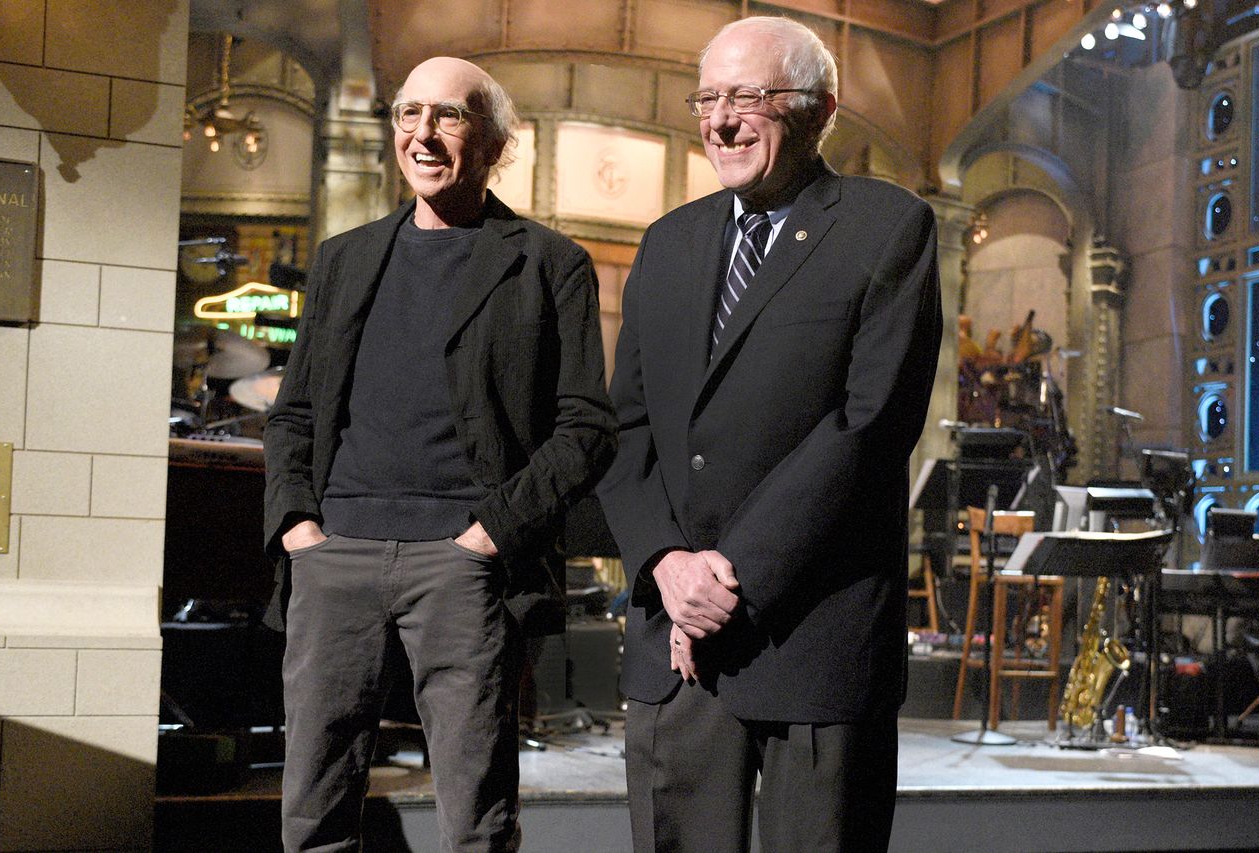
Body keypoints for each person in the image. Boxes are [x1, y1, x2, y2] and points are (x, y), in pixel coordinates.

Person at [597, 16, 942, 852]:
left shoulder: (888, 227)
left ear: (821, 110)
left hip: (816, 645)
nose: (721, 120)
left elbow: (869, 425)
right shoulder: (667, 243)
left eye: (748, 97)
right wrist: (667, 565)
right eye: (707, 98)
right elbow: (626, 429)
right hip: (678, 654)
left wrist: (730, 579)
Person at [263, 56, 616, 852]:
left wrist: (488, 536)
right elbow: (294, 413)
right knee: (311, 815)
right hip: (335, 555)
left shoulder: (549, 263)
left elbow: (587, 427)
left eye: (448, 116)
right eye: (409, 113)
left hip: (462, 563)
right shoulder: (345, 257)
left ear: (493, 143)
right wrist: (298, 529)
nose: (422, 134)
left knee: (475, 822)